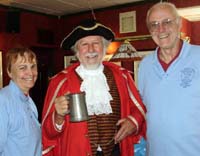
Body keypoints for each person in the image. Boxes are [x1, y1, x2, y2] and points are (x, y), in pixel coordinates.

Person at [42, 19, 146, 156]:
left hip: (116, 151)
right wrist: (58, 116)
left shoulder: (122, 77)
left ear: (104, 48)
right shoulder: (60, 82)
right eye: (84, 44)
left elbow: (139, 109)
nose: (91, 49)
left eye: (96, 43)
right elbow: (48, 132)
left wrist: (133, 122)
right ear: (77, 50)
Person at [138, 2, 200, 156]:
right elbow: (141, 108)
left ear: (178, 24)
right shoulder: (145, 65)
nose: (161, 29)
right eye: (154, 24)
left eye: (167, 22)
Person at [0, 47, 42, 156]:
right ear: (9, 72)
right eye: (23, 68)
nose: (31, 73)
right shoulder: (3, 100)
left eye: (33, 66)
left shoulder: (28, 100)